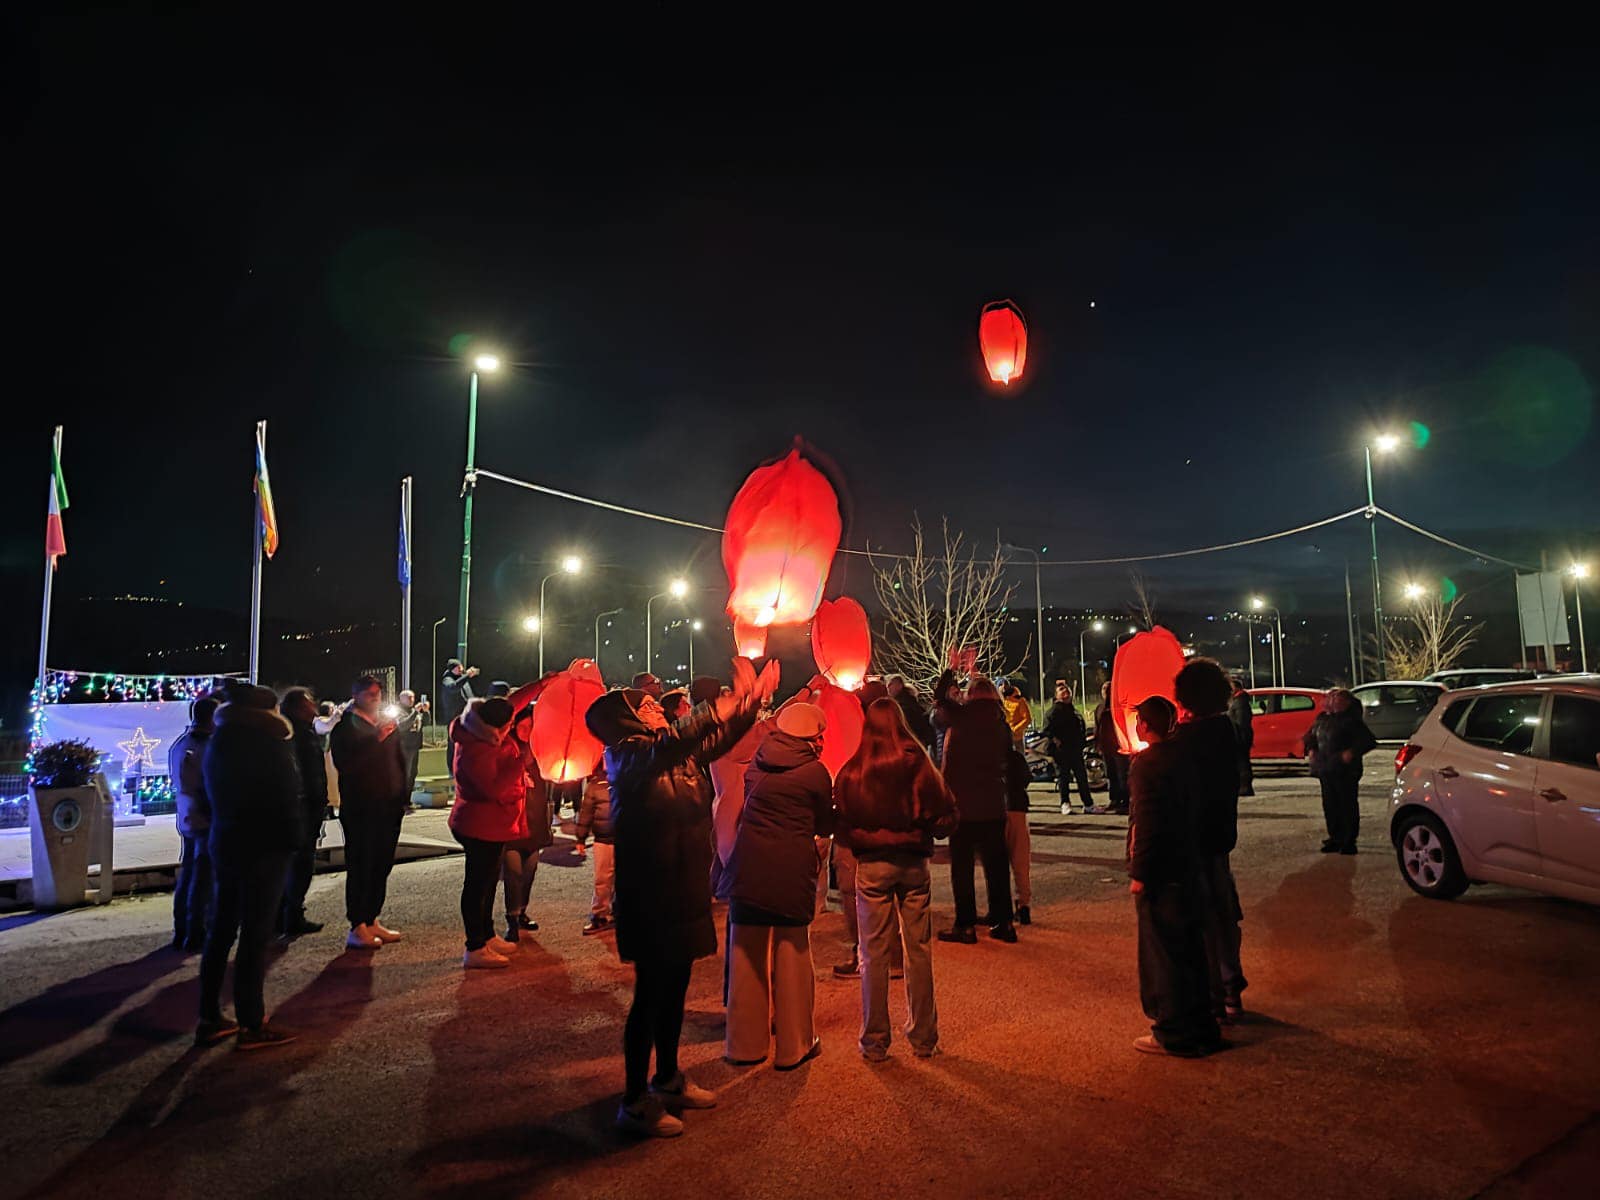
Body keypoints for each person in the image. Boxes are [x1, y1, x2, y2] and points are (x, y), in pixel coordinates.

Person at [585, 655, 778, 1139]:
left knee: (675, 991)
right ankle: (632, 1101)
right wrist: (718, 704)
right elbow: (678, 739)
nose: (656, 709)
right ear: (626, 719)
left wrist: (750, 705)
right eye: (646, 705)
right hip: (650, 893)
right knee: (649, 997)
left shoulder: (675, 751)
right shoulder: (630, 755)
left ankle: (668, 1078)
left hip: (682, 886)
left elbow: (718, 740)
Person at [834, 697, 957, 1061]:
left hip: (872, 866)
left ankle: (874, 1040)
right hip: (913, 864)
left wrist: (859, 840)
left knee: (872, 955)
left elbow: (840, 822)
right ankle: (924, 1038)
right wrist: (926, 827)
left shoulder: (854, 768)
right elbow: (945, 812)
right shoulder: (917, 761)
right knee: (918, 952)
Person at [724, 703, 835, 1070]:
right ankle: (794, 1044)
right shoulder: (816, 773)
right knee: (792, 954)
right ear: (813, 738)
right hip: (790, 869)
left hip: (749, 867)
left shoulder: (757, 765)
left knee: (745, 954)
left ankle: (744, 1045)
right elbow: (824, 823)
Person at [197, 684, 302, 1049]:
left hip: (227, 841)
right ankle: (252, 1024)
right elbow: (286, 797)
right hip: (265, 846)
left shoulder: (221, 740)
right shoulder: (267, 745)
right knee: (256, 936)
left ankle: (209, 1016)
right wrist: (294, 840)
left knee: (222, 930)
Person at [1126, 696, 1222, 1057]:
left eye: (1139, 721)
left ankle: (1172, 1031)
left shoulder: (1148, 765)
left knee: (1163, 954)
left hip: (1161, 872)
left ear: (1147, 726)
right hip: (1188, 864)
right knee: (1190, 950)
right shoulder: (1186, 757)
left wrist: (1140, 872)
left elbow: (1148, 821)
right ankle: (1201, 1025)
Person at [1171, 658, 1247, 1023]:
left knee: (1200, 917)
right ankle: (1231, 987)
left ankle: (1215, 994)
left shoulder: (1187, 740)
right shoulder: (1225, 730)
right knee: (1223, 912)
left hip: (1190, 840)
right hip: (1220, 835)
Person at [933, 672, 1017, 944]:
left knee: (962, 867)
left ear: (970, 695)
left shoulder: (962, 717)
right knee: (997, 865)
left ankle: (965, 924)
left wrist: (951, 669)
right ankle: (1004, 921)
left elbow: (940, 698)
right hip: (993, 803)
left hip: (964, 804)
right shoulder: (1000, 723)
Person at [330, 676, 410, 950]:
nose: (375, 697)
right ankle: (357, 925)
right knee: (361, 864)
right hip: (362, 808)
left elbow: (399, 761)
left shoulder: (386, 725)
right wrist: (375, 740)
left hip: (389, 806)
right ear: (356, 695)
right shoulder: (345, 730)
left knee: (381, 864)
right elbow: (347, 765)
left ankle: (372, 917)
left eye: (378, 693)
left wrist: (403, 796)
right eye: (369, 693)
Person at [448, 695, 525, 968]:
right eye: (510, 724)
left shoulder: (477, 723)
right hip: (480, 826)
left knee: (490, 881)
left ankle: (486, 934)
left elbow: (512, 703)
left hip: (491, 826)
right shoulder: (476, 749)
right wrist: (520, 763)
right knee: (477, 886)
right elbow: (491, 789)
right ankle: (475, 946)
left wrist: (544, 683)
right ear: (497, 727)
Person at [501, 678, 556, 943]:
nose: (527, 729)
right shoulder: (507, 751)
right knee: (513, 873)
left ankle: (522, 911)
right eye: (523, 724)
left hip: (533, 824)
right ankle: (511, 917)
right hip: (511, 826)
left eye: (531, 725)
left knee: (530, 870)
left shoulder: (539, 752)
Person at [169, 696, 218, 953]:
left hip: (189, 816)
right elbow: (203, 783)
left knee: (191, 872)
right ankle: (195, 931)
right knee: (201, 876)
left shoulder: (182, 744)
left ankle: (184, 929)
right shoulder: (203, 746)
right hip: (202, 818)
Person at [278, 688, 328, 938]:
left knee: (300, 863)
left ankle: (289, 913)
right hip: (302, 807)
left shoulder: (304, 730)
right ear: (298, 706)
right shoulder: (292, 733)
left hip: (310, 805)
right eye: (310, 702)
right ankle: (289, 916)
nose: (315, 706)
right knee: (298, 864)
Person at [1305, 688, 1377, 855]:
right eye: (1331, 698)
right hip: (1326, 768)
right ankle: (1335, 837)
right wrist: (1311, 748)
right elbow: (1310, 736)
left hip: (1345, 770)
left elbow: (1368, 741)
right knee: (1330, 804)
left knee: (1346, 804)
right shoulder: (1323, 718)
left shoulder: (1351, 721)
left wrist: (1350, 753)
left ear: (1346, 703)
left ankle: (1349, 840)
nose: (1331, 700)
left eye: (1336, 698)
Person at [1044, 680, 1095, 815]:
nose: (1065, 692)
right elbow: (1047, 730)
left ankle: (1088, 804)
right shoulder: (1053, 711)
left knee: (1081, 777)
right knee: (1064, 777)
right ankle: (1065, 803)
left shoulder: (1073, 710)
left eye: (1067, 690)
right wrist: (1056, 741)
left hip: (1075, 749)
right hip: (1062, 751)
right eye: (1061, 691)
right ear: (1056, 695)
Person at [573, 771, 615, 935]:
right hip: (603, 838)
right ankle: (600, 915)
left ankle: (622, 913)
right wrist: (581, 838)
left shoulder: (632, 776)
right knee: (602, 878)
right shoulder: (596, 784)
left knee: (626, 878)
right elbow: (586, 811)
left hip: (627, 837)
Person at [1004, 743, 1034, 925]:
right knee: (1020, 861)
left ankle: (1001, 909)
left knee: (998, 864)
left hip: (995, 811)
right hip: (1017, 808)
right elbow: (1026, 779)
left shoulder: (984, 753)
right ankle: (1023, 905)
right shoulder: (1015, 757)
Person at [1094, 681, 1130, 814]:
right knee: (1111, 774)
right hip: (1105, 746)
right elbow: (1097, 727)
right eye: (1103, 688)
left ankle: (1125, 801)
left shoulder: (1118, 706)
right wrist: (1097, 744)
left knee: (1122, 774)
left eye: (1108, 688)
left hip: (1118, 745)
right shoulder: (1099, 708)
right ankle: (1114, 799)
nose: (1105, 691)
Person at [440, 660, 479, 777]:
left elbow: (469, 696)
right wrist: (467, 675)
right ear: (452, 669)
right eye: (458, 668)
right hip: (454, 717)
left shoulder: (463, 679)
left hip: (466, 717)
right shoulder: (447, 679)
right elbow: (454, 687)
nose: (461, 670)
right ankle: (452, 770)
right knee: (453, 743)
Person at [394, 689, 429, 803]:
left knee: (413, 773)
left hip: (415, 745)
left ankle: (407, 799)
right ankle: (401, 800)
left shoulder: (415, 711)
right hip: (404, 746)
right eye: (408, 698)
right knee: (405, 773)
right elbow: (402, 726)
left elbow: (425, 723)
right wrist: (415, 713)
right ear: (401, 699)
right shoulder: (397, 711)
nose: (411, 700)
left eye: (412, 697)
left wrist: (426, 711)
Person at [885, 674, 935, 749]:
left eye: (890, 684)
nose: (888, 688)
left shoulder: (903, 705)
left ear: (899, 685)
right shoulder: (908, 701)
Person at [1228, 677, 1255, 797]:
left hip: (1241, 736)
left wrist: (1238, 735)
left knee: (1242, 762)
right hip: (1241, 735)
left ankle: (1245, 787)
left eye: (1232, 687)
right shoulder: (1238, 700)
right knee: (1242, 761)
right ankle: (1244, 786)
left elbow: (1241, 721)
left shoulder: (1240, 701)